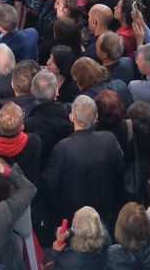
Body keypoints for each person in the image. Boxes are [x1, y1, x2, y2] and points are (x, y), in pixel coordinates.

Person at [44, 95, 126, 229]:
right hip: (104, 212)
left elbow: (50, 186)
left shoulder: (62, 148)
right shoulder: (109, 139)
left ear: (71, 117)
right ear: (95, 118)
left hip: (74, 217)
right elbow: (119, 169)